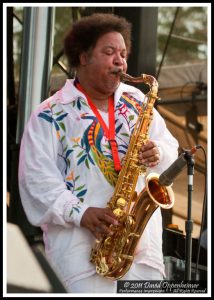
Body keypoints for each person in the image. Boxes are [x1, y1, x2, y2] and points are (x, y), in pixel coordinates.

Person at [18, 13, 179, 293]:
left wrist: (159, 152)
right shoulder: (49, 114)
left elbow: (170, 150)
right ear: (83, 57)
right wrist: (81, 213)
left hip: (142, 256)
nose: (121, 61)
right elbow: (35, 181)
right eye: (109, 52)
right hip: (79, 259)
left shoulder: (137, 100)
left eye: (123, 54)